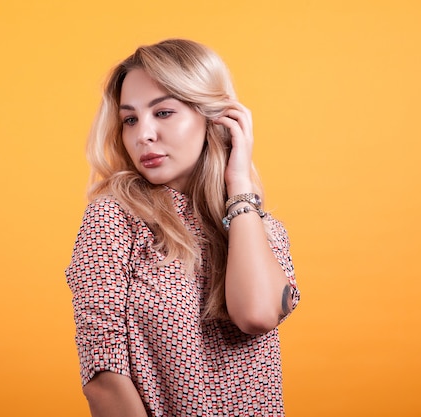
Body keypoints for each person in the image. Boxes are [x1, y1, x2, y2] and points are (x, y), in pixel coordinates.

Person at [65, 38, 300, 417]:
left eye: (163, 113)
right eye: (130, 119)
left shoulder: (261, 228)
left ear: (213, 116)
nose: (143, 135)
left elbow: (256, 315)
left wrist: (239, 185)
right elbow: (103, 375)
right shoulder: (113, 218)